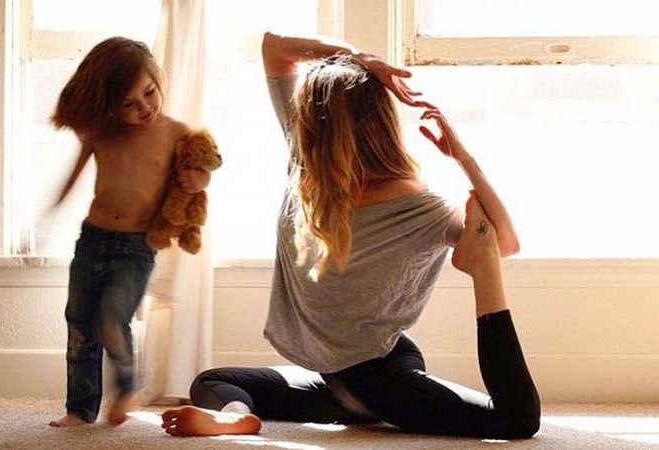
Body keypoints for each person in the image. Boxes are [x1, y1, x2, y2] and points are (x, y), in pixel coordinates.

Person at [161, 33, 540, 439]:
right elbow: (274, 47)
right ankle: (238, 415)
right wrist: (362, 59)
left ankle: (364, 403)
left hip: (377, 374)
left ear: (312, 124)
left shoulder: (407, 203)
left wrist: (461, 157)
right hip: (338, 374)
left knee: (513, 419)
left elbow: (502, 245)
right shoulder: (308, 168)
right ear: (382, 121)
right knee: (214, 381)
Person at [47, 37, 210, 427]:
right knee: (79, 322)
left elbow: (200, 172)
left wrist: (198, 179)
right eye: (129, 103)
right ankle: (80, 408)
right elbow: (74, 172)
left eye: (149, 93)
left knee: (112, 317)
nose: (144, 107)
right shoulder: (101, 132)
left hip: (137, 246)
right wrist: (54, 204)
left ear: (158, 79)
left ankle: (128, 385)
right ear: (109, 105)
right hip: (92, 239)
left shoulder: (176, 132)